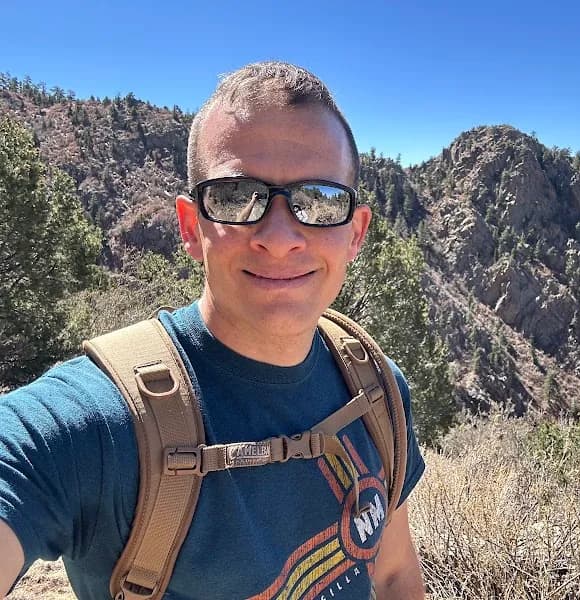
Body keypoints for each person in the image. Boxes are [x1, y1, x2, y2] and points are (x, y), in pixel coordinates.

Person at [0, 61, 426, 600]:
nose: (278, 237)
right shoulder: (100, 426)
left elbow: (391, 576)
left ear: (355, 233)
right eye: (234, 196)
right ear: (190, 225)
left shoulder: (376, 388)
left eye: (317, 200)